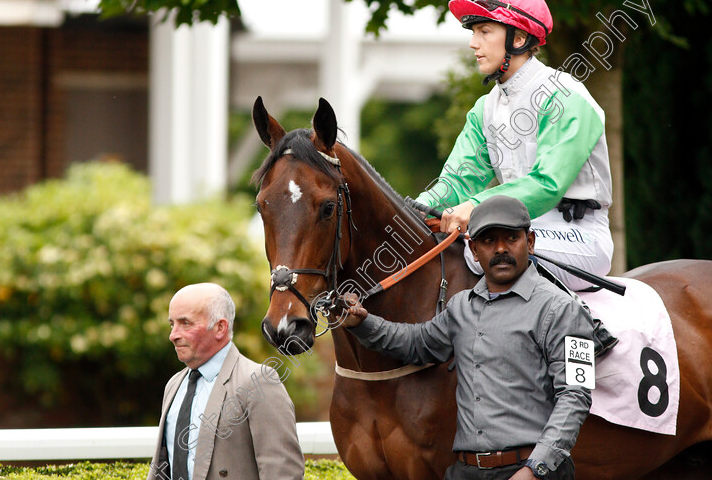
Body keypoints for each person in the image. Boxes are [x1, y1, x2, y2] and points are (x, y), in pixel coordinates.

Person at [342, 196, 595, 479]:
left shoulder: (564, 309)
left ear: (531, 242)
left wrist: (537, 468)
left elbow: (576, 395)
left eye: (511, 238)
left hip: (534, 471)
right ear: (473, 250)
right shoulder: (461, 306)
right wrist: (362, 323)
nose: (500, 248)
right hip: (466, 472)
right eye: (488, 241)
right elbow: (416, 343)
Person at [416, 0, 613, 293]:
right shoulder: (484, 110)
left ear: (518, 38)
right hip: (516, 228)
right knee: (451, 250)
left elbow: (547, 184)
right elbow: (458, 180)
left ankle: (584, 334)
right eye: (473, 32)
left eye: (484, 31)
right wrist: (416, 209)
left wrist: (476, 206)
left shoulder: (566, 97)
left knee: (488, 250)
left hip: (579, 236)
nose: (473, 43)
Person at [148, 283, 305, 480]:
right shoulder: (174, 384)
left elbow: (282, 473)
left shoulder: (259, 382)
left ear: (220, 328)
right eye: (172, 324)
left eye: (185, 323)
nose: (173, 335)